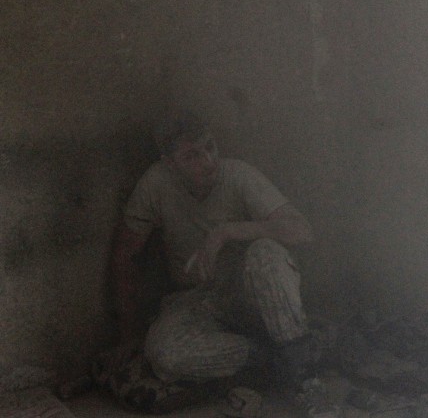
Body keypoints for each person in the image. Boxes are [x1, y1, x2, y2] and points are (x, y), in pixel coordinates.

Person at [108, 110, 336, 417]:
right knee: (164, 355)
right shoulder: (155, 184)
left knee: (266, 253)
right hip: (196, 300)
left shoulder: (238, 175)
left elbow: (301, 230)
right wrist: (128, 333)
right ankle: (278, 356)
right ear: (169, 163)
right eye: (191, 156)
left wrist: (228, 231)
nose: (208, 161)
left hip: (250, 296)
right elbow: (126, 256)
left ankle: (305, 379)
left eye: (210, 147)